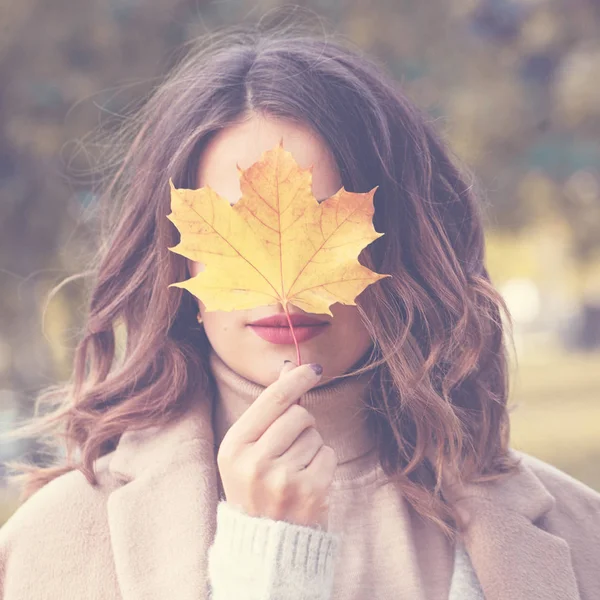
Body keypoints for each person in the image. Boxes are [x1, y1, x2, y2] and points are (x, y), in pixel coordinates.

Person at [1, 21, 599, 600]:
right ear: (176, 259)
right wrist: (272, 562)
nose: (286, 280)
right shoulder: (57, 540)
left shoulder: (580, 529)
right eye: (235, 226)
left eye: (328, 222)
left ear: (401, 243)